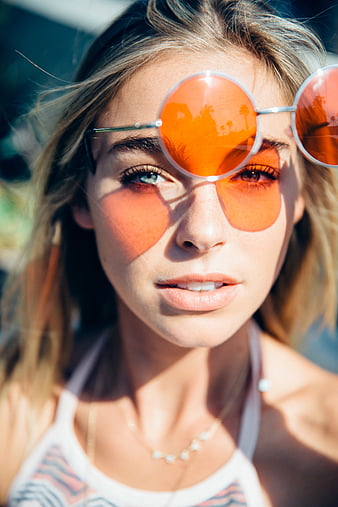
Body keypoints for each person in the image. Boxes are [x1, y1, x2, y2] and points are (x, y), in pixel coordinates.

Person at [0, 0, 337, 505]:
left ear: (301, 196)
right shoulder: (16, 409)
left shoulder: (323, 451)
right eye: (145, 175)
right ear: (79, 195)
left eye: (252, 173)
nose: (201, 231)